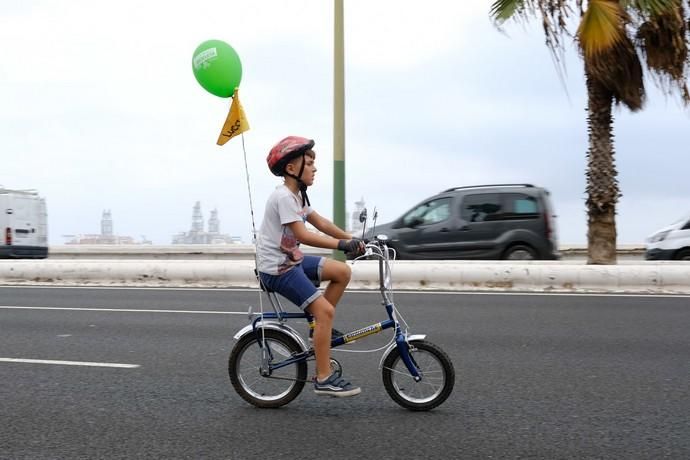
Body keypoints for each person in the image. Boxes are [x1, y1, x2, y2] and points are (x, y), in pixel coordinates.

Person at [256, 135, 365, 397]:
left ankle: (318, 328)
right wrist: (341, 245)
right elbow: (303, 236)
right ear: (292, 169)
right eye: (309, 162)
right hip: (278, 269)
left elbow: (322, 223)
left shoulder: (298, 197)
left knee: (341, 272)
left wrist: (353, 239)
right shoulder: (283, 197)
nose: (315, 168)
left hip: (292, 260)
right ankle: (324, 377)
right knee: (325, 310)